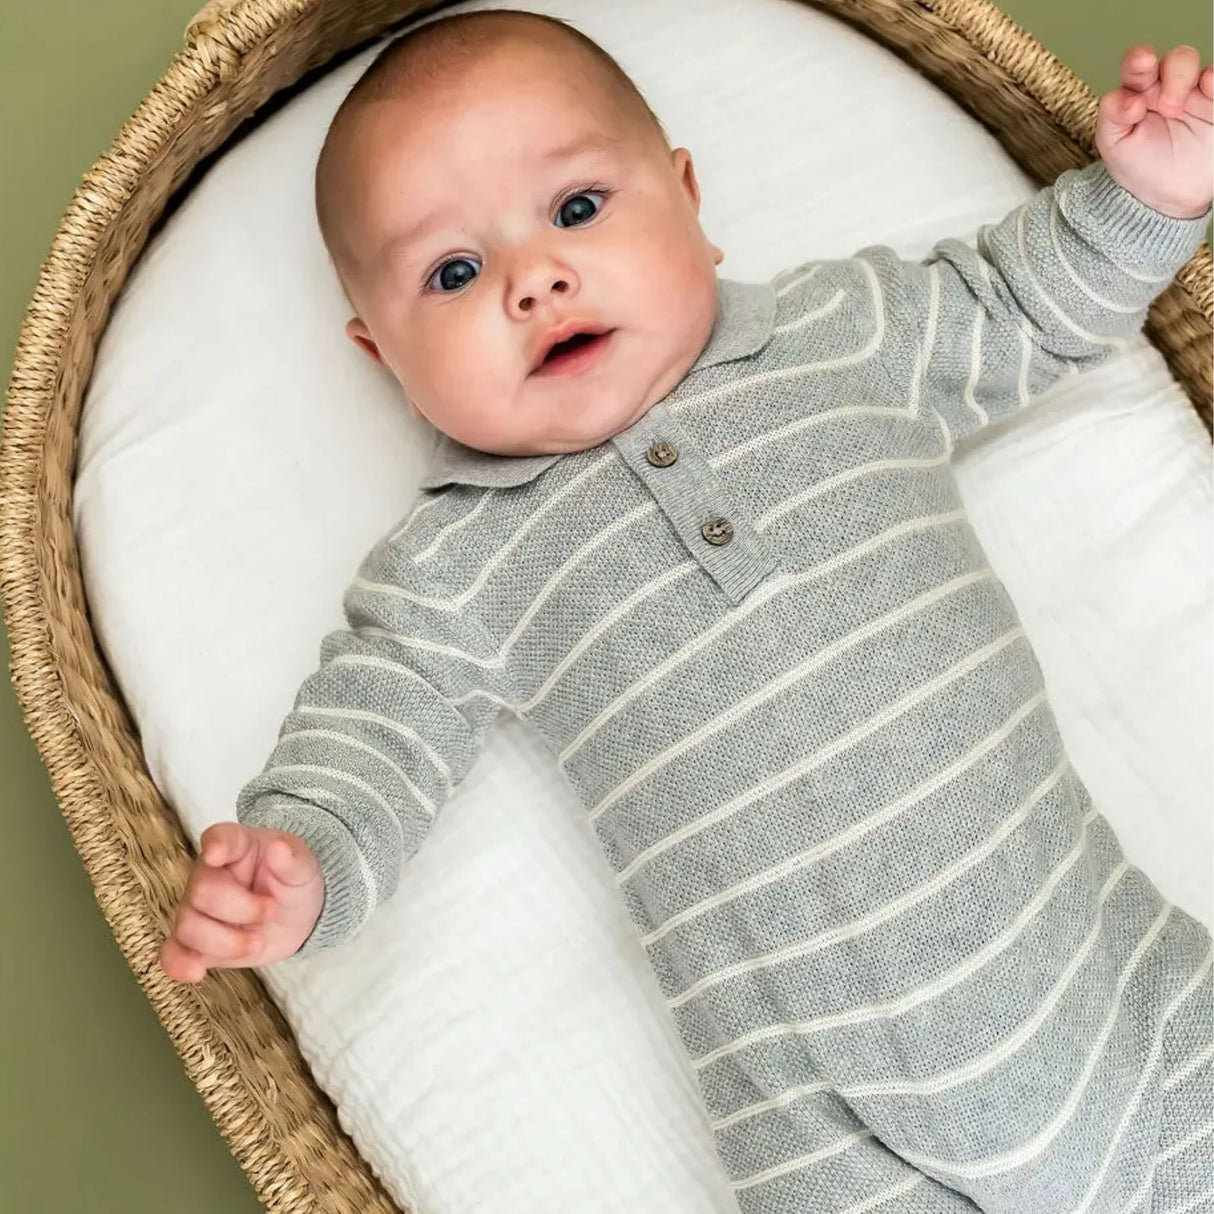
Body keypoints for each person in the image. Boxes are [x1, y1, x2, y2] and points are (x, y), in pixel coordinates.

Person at [160, 10, 1214, 1211]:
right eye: (452, 273)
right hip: (834, 1143)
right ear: (380, 355)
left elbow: (1020, 304)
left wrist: (1147, 202)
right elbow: (373, 732)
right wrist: (300, 862)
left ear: (686, 199)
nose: (532, 279)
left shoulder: (840, 338)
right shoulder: (456, 563)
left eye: (575, 209)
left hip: (1124, 1001)